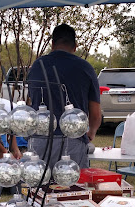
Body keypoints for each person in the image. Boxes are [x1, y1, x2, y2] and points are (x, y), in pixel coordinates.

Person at [27, 23, 101, 169]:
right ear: (75, 46)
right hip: (72, 141)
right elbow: (96, 112)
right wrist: (91, 132)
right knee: (73, 188)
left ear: (53, 44)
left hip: (40, 141)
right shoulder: (85, 68)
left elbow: (32, 102)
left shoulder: (37, 66)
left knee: (39, 187)